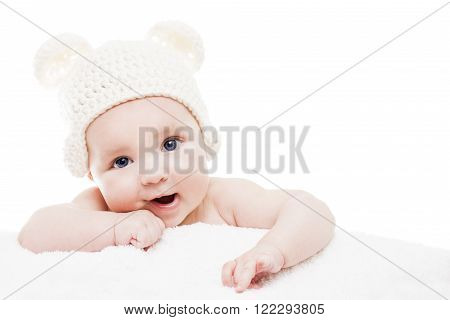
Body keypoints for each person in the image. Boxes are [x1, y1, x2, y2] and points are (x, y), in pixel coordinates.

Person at [18, 20, 335, 293]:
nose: (154, 174)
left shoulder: (222, 199)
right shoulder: (99, 208)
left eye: (170, 144)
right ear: (92, 174)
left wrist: (274, 250)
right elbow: (34, 232)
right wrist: (114, 229)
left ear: (203, 141)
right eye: (122, 162)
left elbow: (312, 211)